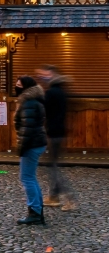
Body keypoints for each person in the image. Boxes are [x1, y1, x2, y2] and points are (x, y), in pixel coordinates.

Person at [37, 64, 77, 211]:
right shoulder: (61, 90)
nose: (42, 77)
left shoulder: (52, 92)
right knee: (52, 165)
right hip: (59, 132)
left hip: (54, 133)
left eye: (44, 74)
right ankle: (53, 196)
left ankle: (70, 199)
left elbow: (43, 110)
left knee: (53, 168)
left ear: (51, 74)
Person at [14, 75, 48, 226]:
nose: (16, 86)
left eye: (19, 84)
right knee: (31, 177)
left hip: (31, 144)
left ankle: (34, 212)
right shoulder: (34, 100)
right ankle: (37, 210)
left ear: (25, 87)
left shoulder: (28, 102)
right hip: (37, 142)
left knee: (27, 177)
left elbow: (27, 128)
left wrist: (22, 148)